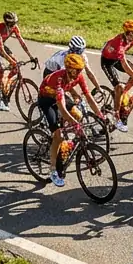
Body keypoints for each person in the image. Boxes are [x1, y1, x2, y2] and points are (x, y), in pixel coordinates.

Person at [37, 53, 103, 187]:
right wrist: (75, 124)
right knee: (58, 135)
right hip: (46, 99)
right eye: (77, 70)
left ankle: (67, 141)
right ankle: (53, 169)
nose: (79, 73)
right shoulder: (59, 79)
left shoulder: (78, 76)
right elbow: (61, 108)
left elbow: (88, 96)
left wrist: (101, 116)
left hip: (59, 96)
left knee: (78, 115)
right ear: (69, 69)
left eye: (80, 70)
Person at [0, 11, 37, 111]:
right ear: (7, 23)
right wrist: (11, 62)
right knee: (0, 72)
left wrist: (30, 56)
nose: (14, 25)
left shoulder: (14, 28)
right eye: (12, 24)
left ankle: (5, 83)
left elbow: (22, 42)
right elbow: (1, 51)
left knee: (16, 67)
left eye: (15, 23)